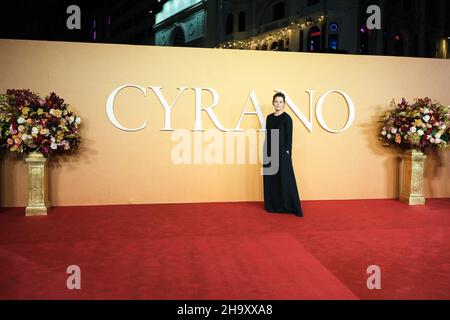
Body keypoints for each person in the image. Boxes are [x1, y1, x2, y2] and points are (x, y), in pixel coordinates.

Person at [263, 92, 303, 217]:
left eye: (280, 102)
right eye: (276, 101)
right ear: (273, 103)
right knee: (271, 179)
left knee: (285, 179)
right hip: (269, 151)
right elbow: (268, 135)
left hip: (282, 152)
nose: (278, 104)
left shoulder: (287, 118)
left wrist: (287, 152)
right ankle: (273, 205)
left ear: (284, 104)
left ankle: (288, 205)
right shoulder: (269, 118)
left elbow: (289, 136)